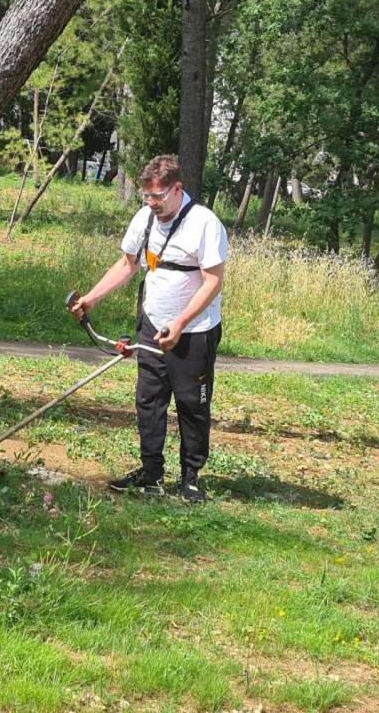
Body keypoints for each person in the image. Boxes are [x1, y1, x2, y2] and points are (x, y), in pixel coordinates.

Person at [68, 155, 228, 502]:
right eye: (147, 197)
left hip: (194, 331)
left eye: (158, 197)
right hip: (152, 324)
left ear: (177, 189)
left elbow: (213, 282)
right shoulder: (145, 219)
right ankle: (151, 473)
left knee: (192, 403)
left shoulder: (204, 223)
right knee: (149, 401)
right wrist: (92, 298)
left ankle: (191, 478)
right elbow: (127, 265)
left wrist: (181, 323)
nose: (152, 204)